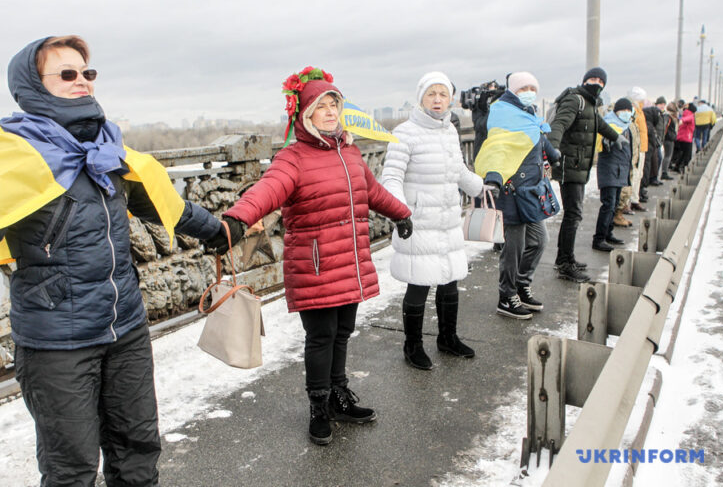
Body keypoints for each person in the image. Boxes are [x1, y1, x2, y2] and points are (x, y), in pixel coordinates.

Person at [0, 36, 228, 486]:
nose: (82, 81)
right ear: (32, 85)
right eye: (67, 74)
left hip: (125, 330)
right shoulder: (17, 158)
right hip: (56, 345)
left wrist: (220, 229)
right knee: (72, 470)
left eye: (87, 73)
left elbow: (162, 204)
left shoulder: (106, 149)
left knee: (139, 452)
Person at [218, 67, 412, 446]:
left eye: (334, 104)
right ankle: (319, 408)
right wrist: (237, 219)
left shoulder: (350, 151)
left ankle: (339, 397)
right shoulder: (294, 158)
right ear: (304, 114)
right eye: (321, 106)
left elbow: (372, 191)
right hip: (317, 264)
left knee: (342, 333)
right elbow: (268, 190)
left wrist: (401, 213)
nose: (329, 112)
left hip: (351, 261)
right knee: (321, 338)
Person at [380, 71, 486, 370]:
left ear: (451, 98)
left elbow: (458, 171)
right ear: (421, 98)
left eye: (443, 94)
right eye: (431, 94)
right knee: (419, 284)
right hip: (417, 221)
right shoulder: (404, 132)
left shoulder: (449, 130)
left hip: (447, 219)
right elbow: (391, 177)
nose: (437, 100)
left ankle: (447, 338)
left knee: (450, 282)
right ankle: (412, 346)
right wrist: (400, 212)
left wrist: (480, 187)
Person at [475, 72, 561, 319]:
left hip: (531, 190)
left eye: (532, 87)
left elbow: (537, 138)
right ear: (513, 89)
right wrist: (493, 177)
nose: (529, 91)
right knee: (514, 247)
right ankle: (506, 295)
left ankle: (521, 285)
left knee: (539, 240)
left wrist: (554, 155)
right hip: (511, 189)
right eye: (523, 87)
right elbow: (498, 148)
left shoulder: (529, 113)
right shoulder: (502, 112)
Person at [547, 67, 621, 283]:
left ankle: (565, 257)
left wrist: (616, 137)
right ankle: (565, 263)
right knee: (573, 215)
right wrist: (553, 149)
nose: (596, 82)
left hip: (578, 167)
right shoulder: (575, 99)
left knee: (573, 214)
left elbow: (600, 125)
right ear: (584, 80)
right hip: (569, 165)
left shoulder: (590, 104)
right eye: (592, 78)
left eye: (600, 80)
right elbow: (559, 124)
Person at [593, 99, 634, 252]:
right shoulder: (609, 124)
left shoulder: (626, 126)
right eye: (623, 110)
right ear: (616, 111)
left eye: (629, 110)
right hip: (610, 169)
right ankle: (599, 238)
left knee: (614, 203)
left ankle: (608, 233)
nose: (626, 113)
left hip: (619, 170)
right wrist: (608, 141)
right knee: (608, 204)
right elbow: (601, 142)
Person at [627, 87, 649, 209]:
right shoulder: (634, 111)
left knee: (639, 174)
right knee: (634, 175)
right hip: (637, 148)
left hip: (642, 147)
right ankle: (629, 201)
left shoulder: (640, 111)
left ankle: (635, 199)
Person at [672, 102, 696, 172]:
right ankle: (684, 168)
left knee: (682, 153)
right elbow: (687, 119)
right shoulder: (690, 115)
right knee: (687, 154)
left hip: (682, 136)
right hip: (687, 137)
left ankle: (677, 166)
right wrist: (682, 121)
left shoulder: (685, 113)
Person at [660, 101, 679, 180]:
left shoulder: (665, 116)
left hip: (667, 138)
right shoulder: (669, 117)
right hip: (669, 138)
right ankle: (664, 172)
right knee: (668, 156)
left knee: (667, 155)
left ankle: (664, 171)